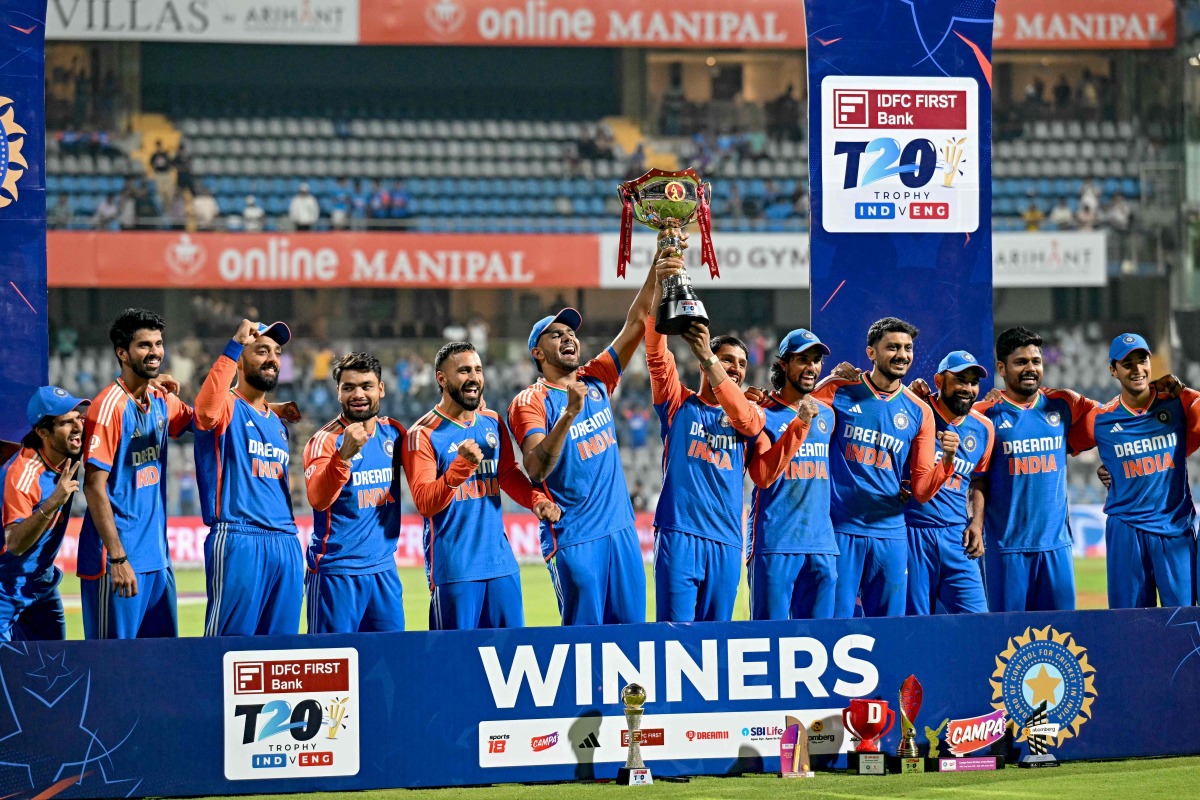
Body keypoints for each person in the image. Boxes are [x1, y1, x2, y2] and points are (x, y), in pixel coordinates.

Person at [507, 263, 659, 626]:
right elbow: (536, 467)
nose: (569, 337)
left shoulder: (596, 379)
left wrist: (661, 264)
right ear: (538, 353)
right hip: (575, 537)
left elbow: (637, 321)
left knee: (632, 636)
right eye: (556, 334)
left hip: (622, 532)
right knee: (583, 645)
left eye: (571, 332)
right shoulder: (531, 401)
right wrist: (569, 415)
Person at [405, 342, 560, 630]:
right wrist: (460, 468)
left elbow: (508, 474)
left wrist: (536, 499)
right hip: (455, 570)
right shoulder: (422, 435)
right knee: (455, 664)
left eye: (477, 369)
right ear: (442, 379)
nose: (474, 377)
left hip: (502, 565)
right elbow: (425, 502)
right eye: (463, 371)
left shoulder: (492, 421)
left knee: (512, 658)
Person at [810, 317, 955, 617]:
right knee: (835, 624)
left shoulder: (919, 411)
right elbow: (800, 410)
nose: (902, 354)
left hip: (890, 534)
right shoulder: (840, 391)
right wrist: (829, 379)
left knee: (890, 630)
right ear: (871, 353)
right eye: (892, 347)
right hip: (840, 530)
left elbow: (923, 491)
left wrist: (948, 462)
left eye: (908, 348)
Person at [79, 309, 193, 638]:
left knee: (159, 668)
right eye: (144, 345)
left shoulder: (159, 398)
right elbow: (93, 487)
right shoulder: (108, 407)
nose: (155, 351)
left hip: (157, 561)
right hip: (117, 563)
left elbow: (208, 423)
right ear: (122, 353)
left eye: (158, 343)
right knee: (111, 669)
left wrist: (269, 408)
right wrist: (117, 558)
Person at [646, 308, 765, 622]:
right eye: (728, 359)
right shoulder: (678, 404)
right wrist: (661, 291)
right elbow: (657, 356)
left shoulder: (751, 412)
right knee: (674, 640)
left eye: (742, 363)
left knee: (717, 642)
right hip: (679, 534)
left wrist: (712, 361)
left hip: (726, 542)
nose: (736, 369)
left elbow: (750, 425)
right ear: (703, 360)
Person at [973, 327, 1096, 612]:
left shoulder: (1063, 403)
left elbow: (1112, 420)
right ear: (1002, 368)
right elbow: (977, 479)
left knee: (1064, 636)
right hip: (1008, 549)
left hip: (1057, 548)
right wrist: (976, 523)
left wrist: (1112, 468)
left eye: (1035, 361)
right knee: (1007, 640)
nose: (1031, 368)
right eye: (1021, 362)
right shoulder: (985, 414)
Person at [1076, 334, 1200, 608]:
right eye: (1127, 363)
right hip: (1126, 530)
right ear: (1113, 370)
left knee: (1184, 620)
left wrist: (1183, 388)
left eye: (1142, 361)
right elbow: (1056, 440)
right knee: (1128, 624)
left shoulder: (1178, 402)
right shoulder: (1100, 419)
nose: (1137, 369)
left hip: (1174, 526)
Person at [194, 319, 300, 636]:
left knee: (283, 654)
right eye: (262, 350)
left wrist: (275, 409)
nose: (272, 358)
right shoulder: (226, 405)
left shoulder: (277, 422)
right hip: (240, 537)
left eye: (277, 352)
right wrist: (234, 344)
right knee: (227, 652)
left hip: (286, 541)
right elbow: (203, 413)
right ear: (240, 359)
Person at [303, 352, 406, 633]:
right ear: (338, 392)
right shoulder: (324, 441)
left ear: (381, 389)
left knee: (393, 666)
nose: (358, 394)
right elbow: (317, 499)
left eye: (366, 386)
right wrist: (343, 456)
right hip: (336, 574)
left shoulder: (394, 433)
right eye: (348, 387)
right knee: (332, 669)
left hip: (384, 571)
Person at [745, 329, 835, 620]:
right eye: (802, 360)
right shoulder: (762, 414)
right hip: (776, 544)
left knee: (822, 642)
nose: (811, 367)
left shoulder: (829, 415)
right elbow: (762, 476)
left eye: (816, 360)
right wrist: (801, 423)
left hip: (822, 544)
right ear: (783, 364)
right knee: (769, 642)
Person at [902, 351, 994, 615]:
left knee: (978, 622)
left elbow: (978, 480)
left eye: (973, 382)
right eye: (960, 380)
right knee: (914, 627)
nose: (968, 388)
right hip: (912, 533)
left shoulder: (984, 428)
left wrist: (976, 523)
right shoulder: (917, 410)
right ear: (939, 381)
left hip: (957, 538)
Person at [0, 387, 87, 641]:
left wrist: (145, 388)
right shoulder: (23, 474)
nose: (77, 427)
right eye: (66, 422)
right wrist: (53, 502)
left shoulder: (69, 448)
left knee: (54, 667)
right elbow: (14, 543)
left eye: (77, 418)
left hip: (42, 582)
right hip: (6, 585)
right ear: (43, 432)